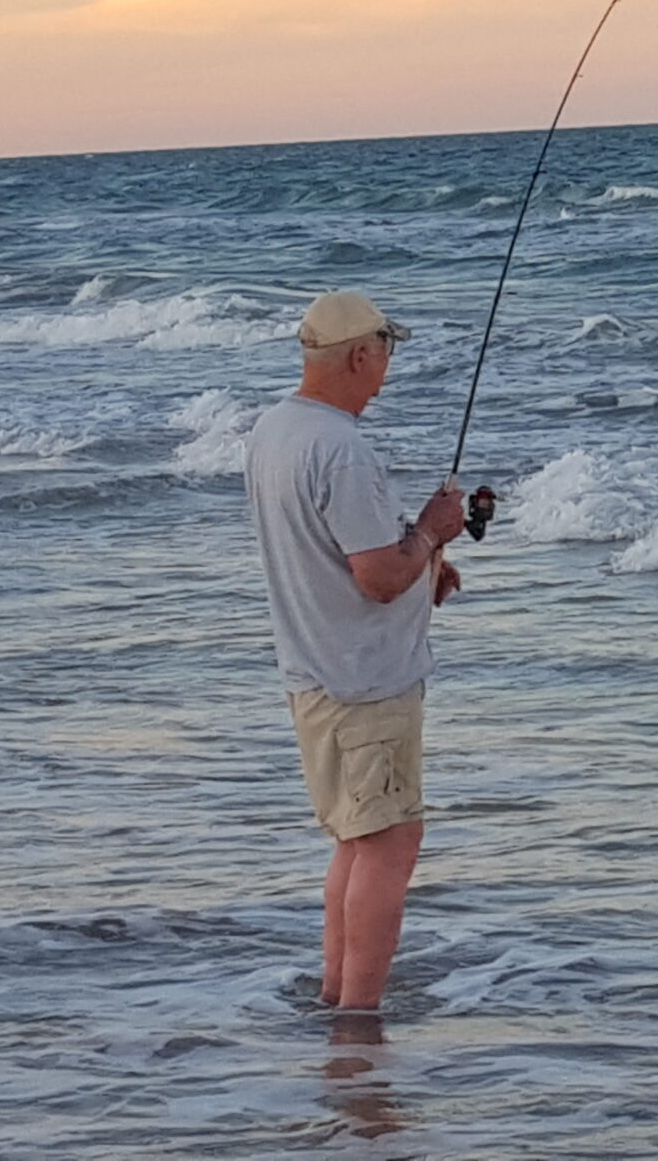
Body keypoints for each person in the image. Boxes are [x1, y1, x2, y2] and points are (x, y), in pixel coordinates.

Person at [244, 290, 469, 1011]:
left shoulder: (276, 429)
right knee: (389, 845)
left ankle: (340, 1002)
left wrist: (421, 569)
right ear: (362, 355)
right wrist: (433, 534)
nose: (388, 367)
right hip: (364, 681)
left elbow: (341, 556)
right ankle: (358, 1022)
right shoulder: (339, 449)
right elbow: (375, 577)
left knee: (356, 840)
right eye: (386, 351)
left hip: (314, 672)